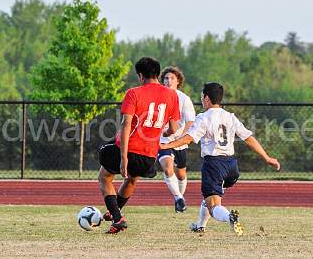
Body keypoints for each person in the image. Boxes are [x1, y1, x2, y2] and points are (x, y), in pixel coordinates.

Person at [159, 82, 280, 236]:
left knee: (214, 206)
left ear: (207, 98)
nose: (202, 100)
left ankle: (229, 217)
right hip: (231, 167)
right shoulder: (230, 116)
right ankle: (200, 225)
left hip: (214, 165)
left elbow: (188, 138)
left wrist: (166, 145)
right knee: (209, 196)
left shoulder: (203, 117)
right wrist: (267, 157)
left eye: (202, 97)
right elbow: (248, 138)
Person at [98, 57, 181, 234]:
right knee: (132, 178)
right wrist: (162, 133)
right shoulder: (172, 95)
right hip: (150, 154)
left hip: (130, 147)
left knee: (105, 177)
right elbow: (174, 128)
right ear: (158, 74)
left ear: (141, 76)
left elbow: (126, 125)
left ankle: (117, 217)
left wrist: (123, 157)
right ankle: (115, 214)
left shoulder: (133, 93)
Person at [157, 66, 195, 213]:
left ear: (178, 81)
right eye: (166, 78)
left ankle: (179, 198)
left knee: (181, 174)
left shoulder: (184, 98)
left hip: (179, 142)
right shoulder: (158, 96)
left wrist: (181, 136)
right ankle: (179, 198)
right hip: (163, 141)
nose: (168, 81)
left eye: (172, 78)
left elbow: (190, 122)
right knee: (167, 168)